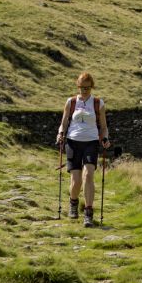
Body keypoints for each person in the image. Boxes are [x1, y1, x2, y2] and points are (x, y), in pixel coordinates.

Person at [56, 72, 110, 227]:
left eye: (87, 88)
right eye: (81, 87)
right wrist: (60, 133)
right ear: (77, 86)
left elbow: (104, 127)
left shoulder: (98, 103)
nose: (84, 90)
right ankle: (73, 203)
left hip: (91, 142)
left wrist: (105, 138)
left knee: (89, 176)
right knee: (76, 180)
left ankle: (88, 212)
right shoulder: (71, 102)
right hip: (73, 142)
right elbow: (64, 121)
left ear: (91, 87)